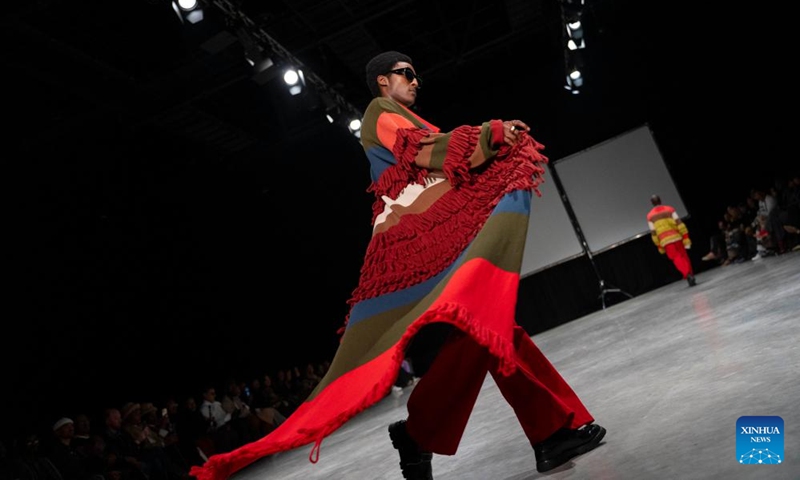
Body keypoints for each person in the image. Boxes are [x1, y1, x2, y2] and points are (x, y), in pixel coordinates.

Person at [189, 50, 605, 480]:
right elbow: (427, 152)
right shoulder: (378, 111)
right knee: (484, 327)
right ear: (382, 81)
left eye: (415, 74)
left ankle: (508, 431)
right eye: (406, 74)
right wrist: (492, 134)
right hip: (416, 237)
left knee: (488, 328)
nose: (415, 81)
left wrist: (490, 143)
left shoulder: (406, 116)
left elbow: (441, 156)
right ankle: (535, 434)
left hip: (433, 227)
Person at [647, 194, 696, 286]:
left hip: (665, 241)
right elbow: (679, 223)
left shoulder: (650, 216)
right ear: (660, 200)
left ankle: (687, 274)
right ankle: (690, 274)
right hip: (677, 236)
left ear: (652, 203)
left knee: (676, 258)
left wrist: (659, 245)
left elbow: (653, 233)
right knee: (684, 255)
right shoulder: (670, 209)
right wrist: (685, 237)